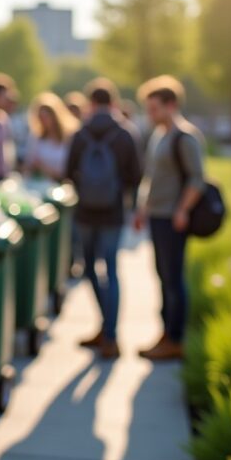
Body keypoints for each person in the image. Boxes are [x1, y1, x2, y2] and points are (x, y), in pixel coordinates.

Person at [64, 79, 142, 358]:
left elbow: (68, 171)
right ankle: (110, 334)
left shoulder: (81, 133)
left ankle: (104, 325)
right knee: (111, 269)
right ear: (113, 103)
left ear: (91, 103)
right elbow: (136, 175)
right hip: (113, 211)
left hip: (86, 211)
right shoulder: (125, 134)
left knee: (89, 268)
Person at [134, 75, 206, 361]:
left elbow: (197, 179)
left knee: (173, 279)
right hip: (157, 215)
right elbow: (152, 176)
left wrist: (182, 210)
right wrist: (142, 208)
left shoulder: (185, 137)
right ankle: (166, 333)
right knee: (163, 276)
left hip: (172, 218)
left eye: (154, 108)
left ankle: (176, 340)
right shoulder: (160, 135)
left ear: (171, 105)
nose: (150, 114)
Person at [25, 92, 80, 182]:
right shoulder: (36, 137)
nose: (43, 121)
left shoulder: (69, 137)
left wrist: (45, 169)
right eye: (40, 117)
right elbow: (29, 164)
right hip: (42, 184)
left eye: (46, 116)